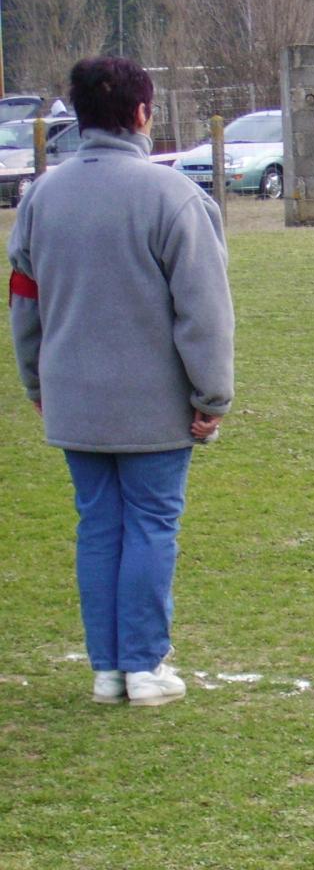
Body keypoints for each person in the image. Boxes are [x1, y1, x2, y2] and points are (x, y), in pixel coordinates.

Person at [8, 56, 234, 707]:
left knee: (99, 526)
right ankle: (142, 664)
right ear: (142, 113)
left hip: (73, 394)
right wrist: (211, 397)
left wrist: (35, 382)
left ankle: (108, 669)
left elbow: (25, 299)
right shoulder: (175, 197)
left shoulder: (40, 197)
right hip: (152, 403)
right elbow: (205, 312)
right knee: (151, 525)